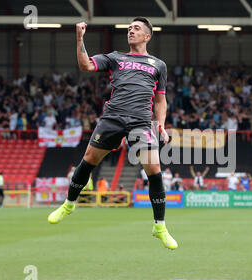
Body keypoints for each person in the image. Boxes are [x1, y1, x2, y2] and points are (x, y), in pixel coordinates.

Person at [48, 17, 178, 250]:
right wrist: (79, 39)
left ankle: (160, 226)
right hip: (113, 117)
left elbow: (160, 99)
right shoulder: (116, 57)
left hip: (140, 121)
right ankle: (68, 204)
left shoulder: (158, 65)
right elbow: (86, 65)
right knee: (89, 159)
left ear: (147, 36)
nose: (131, 31)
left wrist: (160, 123)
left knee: (155, 169)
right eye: (129, 28)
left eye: (136, 28)